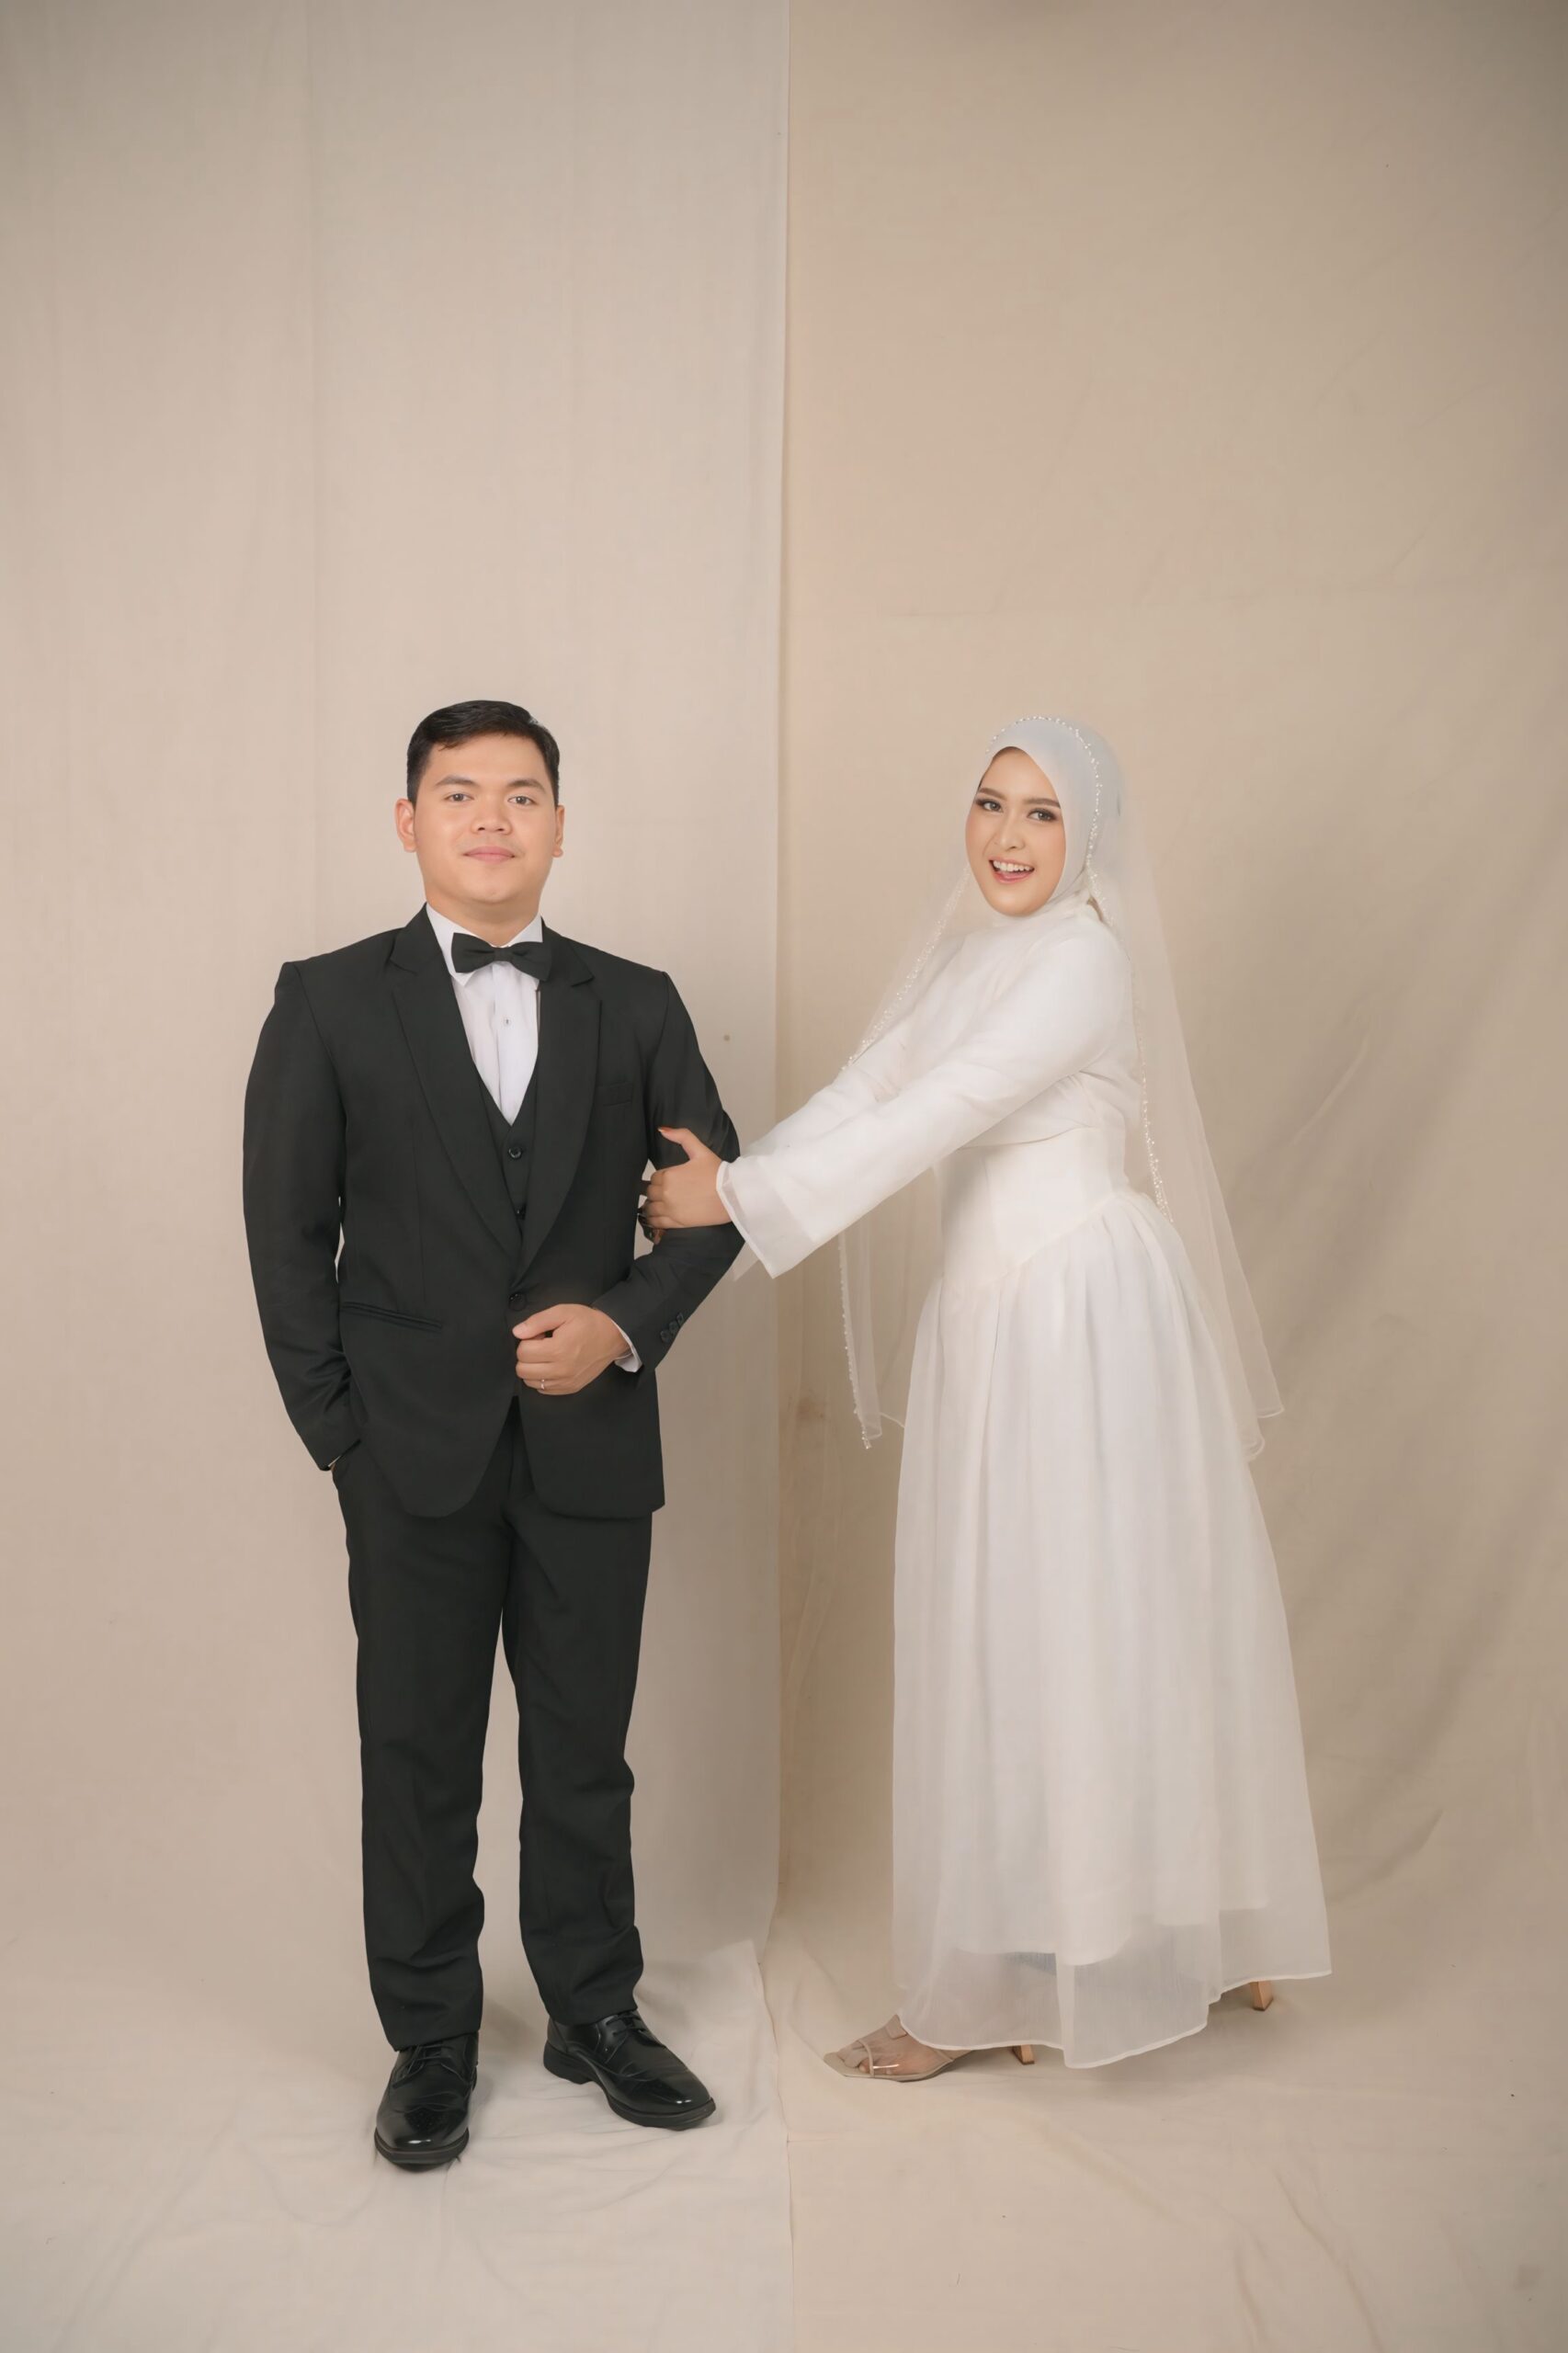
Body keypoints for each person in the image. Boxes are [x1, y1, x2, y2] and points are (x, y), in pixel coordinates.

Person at [643, 715, 1331, 2076]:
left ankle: (1085, 1958)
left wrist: (737, 1195)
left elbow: (942, 1110)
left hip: (1077, 1310)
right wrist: (737, 1185)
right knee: (1016, 1617)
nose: (1007, 837)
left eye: (1042, 813)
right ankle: (1069, 1942)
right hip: (990, 1316)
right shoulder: (968, 958)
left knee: (1100, 1611)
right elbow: (869, 1088)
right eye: (990, 803)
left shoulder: (1083, 961)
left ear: (1089, 838)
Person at [243, 698, 742, 2163]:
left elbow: (716, 1204)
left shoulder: (636, 1003)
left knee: (584, 1750)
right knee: (417, 1752)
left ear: (560, 827)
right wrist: (340, 1432)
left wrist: (622, 1325)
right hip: (405, 1450)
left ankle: (595, 2010)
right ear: (409, 823)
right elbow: (286, 1232)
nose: (490, 819)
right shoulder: (329, 1001)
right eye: (458, 794)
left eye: (521, 795)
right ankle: (431, 2037)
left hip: (595, 1445)